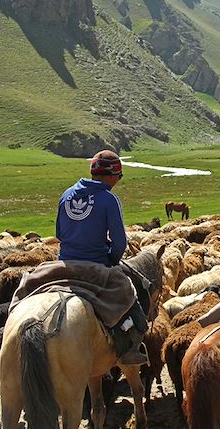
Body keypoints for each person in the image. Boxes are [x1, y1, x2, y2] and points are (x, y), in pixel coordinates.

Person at [55, 149, 148, 366]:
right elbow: (119, 244)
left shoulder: (66, 194)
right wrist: (112, 260)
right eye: (119, 176)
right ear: (111, 175)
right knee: (129, 294)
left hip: (64, 265)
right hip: (95, 266)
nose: (118, 181)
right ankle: (130, 348)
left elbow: (59, 234)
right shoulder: (108, 199)